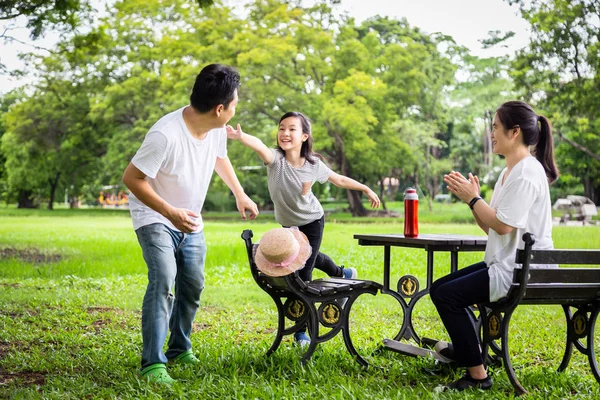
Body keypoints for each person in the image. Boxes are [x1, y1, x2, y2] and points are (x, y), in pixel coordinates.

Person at [122, 63, 259, 384]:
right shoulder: (165, 135)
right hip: (155, 215)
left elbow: (219, 157)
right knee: (164, 280)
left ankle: (179, 347)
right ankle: (152, 364)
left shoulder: (213, 129)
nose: (236, 109)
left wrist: (239, 193)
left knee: (193, 284)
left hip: (190, 219)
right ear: (220, 108)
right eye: (235, 104)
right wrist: (170, 212)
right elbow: (132, 178)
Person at [430, 100, 559, 391]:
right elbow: (491, 226)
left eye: (495, 127)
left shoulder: (526, 172)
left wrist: (473, 199)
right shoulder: (508, 172)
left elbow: (503, 225)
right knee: (440, 289)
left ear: (514, 132)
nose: (491, 133)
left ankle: (477, 375)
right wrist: (473, 201)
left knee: (449, 296)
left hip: (519, 270)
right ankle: (467, 352)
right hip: (507, 262)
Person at [227, 111, 380, 346]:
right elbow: (259, 147)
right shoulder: (275, 160)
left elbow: (339, 179)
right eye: (281, 128)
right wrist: (241, 136)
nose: (285, 133)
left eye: (292, 129)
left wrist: (366, 189)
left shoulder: (313, 165)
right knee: (307, 256)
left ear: (304, 136)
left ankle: (302, 331)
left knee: (301, 275)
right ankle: (342, 273)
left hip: (312, 221)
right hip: (288, 224)